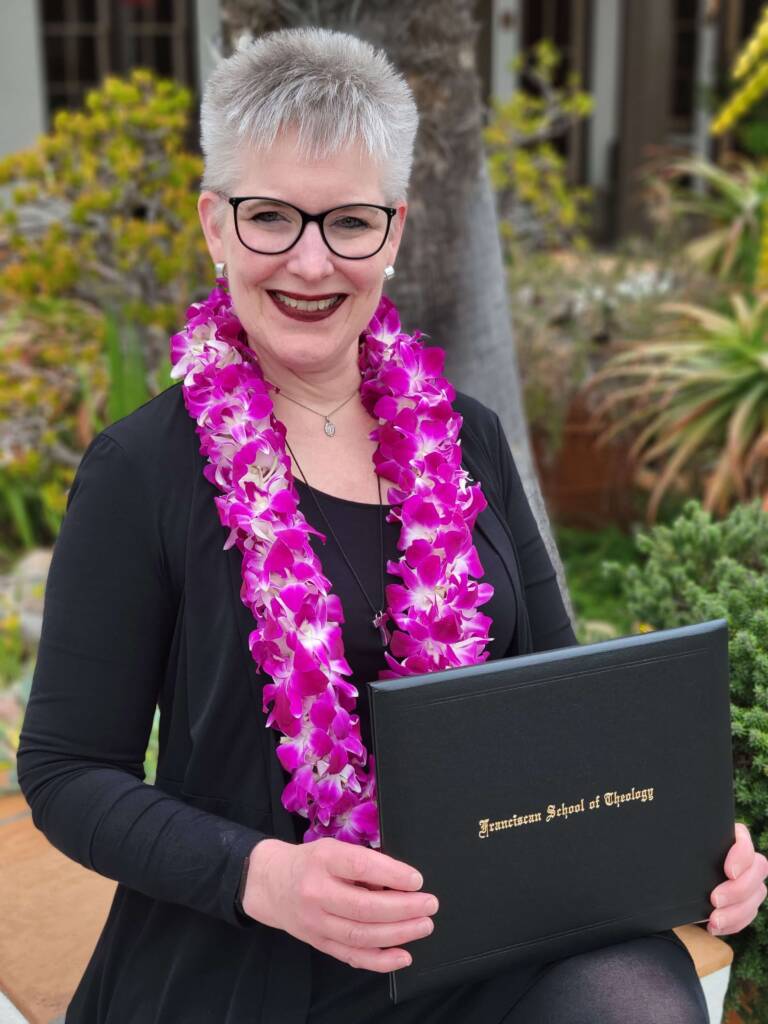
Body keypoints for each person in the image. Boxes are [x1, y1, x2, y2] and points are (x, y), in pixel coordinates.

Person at [17, 27, 767, 1024]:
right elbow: (68, 772)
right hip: (250, 949)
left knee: (634, 999)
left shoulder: (469, 439)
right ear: (214, 224)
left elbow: (557, 713)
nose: (312, 261)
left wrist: (703, 854)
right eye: (272, 216)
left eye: (351, 222)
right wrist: (266, 876)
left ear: (396, 229)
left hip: (482, 928)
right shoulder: (140, 470)